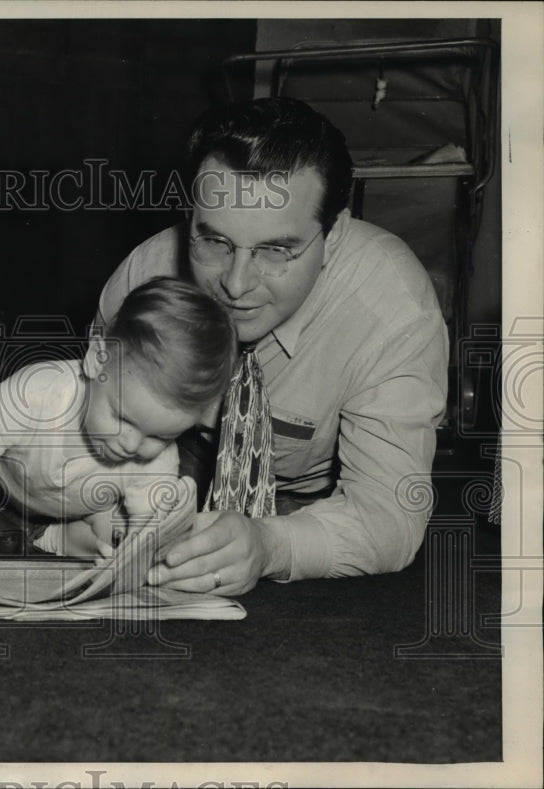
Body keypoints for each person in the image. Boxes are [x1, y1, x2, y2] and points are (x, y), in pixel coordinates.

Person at [94, 97, 450, 596]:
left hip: (311, 512)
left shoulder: (392, 306)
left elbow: (390, 515)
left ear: (335, 233)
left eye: (277, 249)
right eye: (213, 241)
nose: (236, 285)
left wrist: (270, 545)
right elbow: (84, 439)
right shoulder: (142, 280)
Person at [0, 277, 235, 579]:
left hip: (73, 511)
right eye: (123, 418)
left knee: (124, 537)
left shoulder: (157, 460)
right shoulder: (33, 395)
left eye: (161, 436)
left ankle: (51, 538)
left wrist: (131, 562)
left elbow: (147, 537)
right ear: (96, 359)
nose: (132, 445)